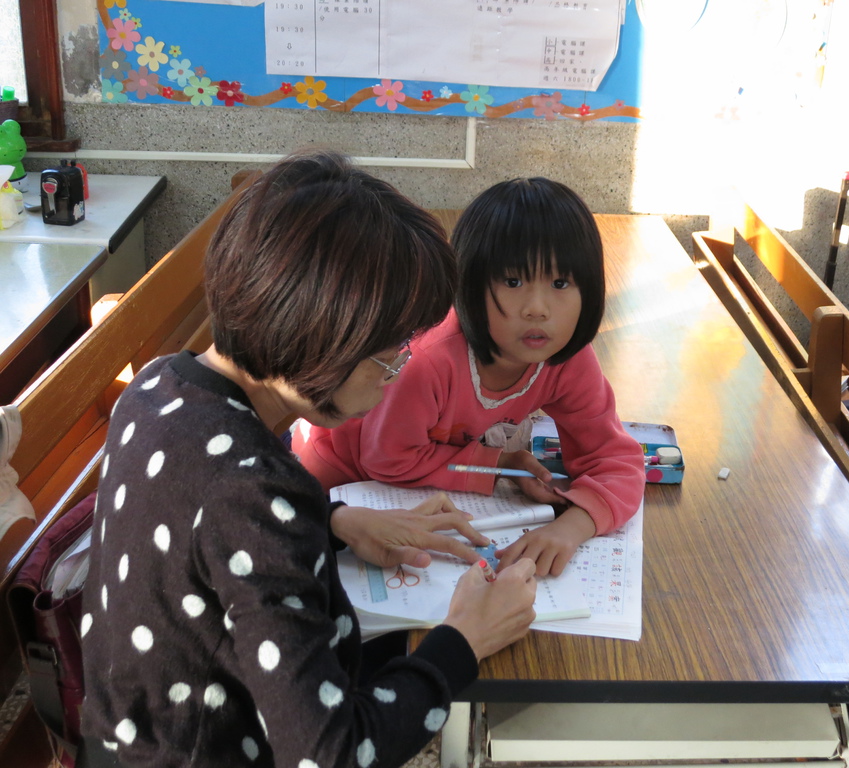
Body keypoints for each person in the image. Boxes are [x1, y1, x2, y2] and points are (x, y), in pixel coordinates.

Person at [78, 150, 538, 768]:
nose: (395, 377)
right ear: (322, 334)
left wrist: (334, 520)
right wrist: (462, 642)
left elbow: (203, 517)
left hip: (125, 740)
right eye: (390, 355)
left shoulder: (161, 384)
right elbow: (330, 754)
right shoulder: (254, 495)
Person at [294, 177, 645, 578]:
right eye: (513, 282)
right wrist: (495, 464)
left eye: (560, 283)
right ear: (469, 283)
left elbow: (616, 459)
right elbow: (387, 459)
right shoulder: (427, 360)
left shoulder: (566, 359)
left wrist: (573, 526)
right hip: (340, 483)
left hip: (420, 485)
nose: (537, 308)